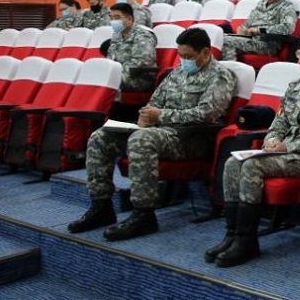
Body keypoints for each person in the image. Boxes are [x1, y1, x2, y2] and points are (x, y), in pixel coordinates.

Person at [67, 28, 237, 241]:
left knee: (141, 139)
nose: (184, 60)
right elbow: (154, 102)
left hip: (191, 138)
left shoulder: (220, 76)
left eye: (188, 56)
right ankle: (101, 206)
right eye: (181, 55)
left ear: (205, 52)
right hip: (162, 132)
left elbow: (206, 114)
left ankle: (143, 214)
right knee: (101, 136)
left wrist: (160, 115)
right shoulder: (178, 71)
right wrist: (145, 117)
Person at [206, 34, 300, 267]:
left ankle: (246, 241)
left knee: (251, 166)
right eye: (299, 51)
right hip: (284, 153)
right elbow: (279, 123)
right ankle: (232, 235)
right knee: (233, 163)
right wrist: (272, 140)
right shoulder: (294, 87)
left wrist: (287, 146)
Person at [221, 0, 297, 61]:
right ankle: (230, 64)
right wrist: (242, 29)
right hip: (250, 39)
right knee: (220, 38)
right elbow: (248, 22)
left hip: (267, 44)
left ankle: (230, 66)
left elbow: (288, 28)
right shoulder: (261, 3)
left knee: (225, 41)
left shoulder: (287, 7)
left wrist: (259, 30)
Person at [106, 3, 157, 99]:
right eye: (111, 18)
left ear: (129, 19)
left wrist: (116, 73)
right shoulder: (116, 35)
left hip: (139, 77)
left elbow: (143, 61)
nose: (113, 21)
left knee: (107, 79)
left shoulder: (142, 35)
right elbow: (110, 57)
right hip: (120, 74)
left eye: (117, 18)